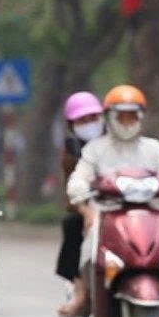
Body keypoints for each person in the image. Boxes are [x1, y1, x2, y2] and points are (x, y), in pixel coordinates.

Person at [61, 85, 159, 317]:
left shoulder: (154, 148)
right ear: (111, 117)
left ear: (140, 117)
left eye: (132, 116)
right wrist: (83, 198)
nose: (127, 122)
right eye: (121, 116)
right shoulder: (95, 150)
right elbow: (79, 179)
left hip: (152, 211)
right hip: (108, 213)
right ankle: (84, 293)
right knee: (89, 242)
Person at [55, 92, 105, 292]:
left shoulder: (117, 142)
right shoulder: (73, 153)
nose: (89, 124)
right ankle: (80, 289)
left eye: (93, 118)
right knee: (73, 225)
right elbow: (73, 191)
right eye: (82, 120)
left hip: (125, 203)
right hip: (90, 205)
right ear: (71, 125)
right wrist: (85, 211)